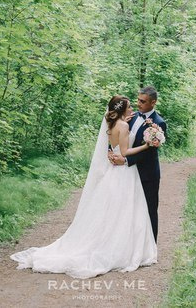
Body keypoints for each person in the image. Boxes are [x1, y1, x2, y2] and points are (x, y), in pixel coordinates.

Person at [9, 95, 157, 279]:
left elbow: (115, 147)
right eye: (128, 107)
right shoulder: (124, 125)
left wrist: (122, 127)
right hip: (124, 173)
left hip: (113, 171)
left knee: (112, 211)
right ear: (122, 110)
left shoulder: (111, 125)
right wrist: (146, 145)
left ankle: (110, 243)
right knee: (125, 210)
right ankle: (121, 248)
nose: (132, 109)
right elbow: (125, 152)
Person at [108, 86, 166, 241]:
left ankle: (151, 245)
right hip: (127, 174)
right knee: (128, 210)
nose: (138, 103)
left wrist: (125, 160)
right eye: (138, 100)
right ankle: (131, 243)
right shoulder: (130, 116)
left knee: (149, 209)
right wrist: (111, 150)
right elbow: (117, 135)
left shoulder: (159, 123)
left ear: (153, 102)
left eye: (143, 101)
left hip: (147, 173)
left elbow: (149, 152)